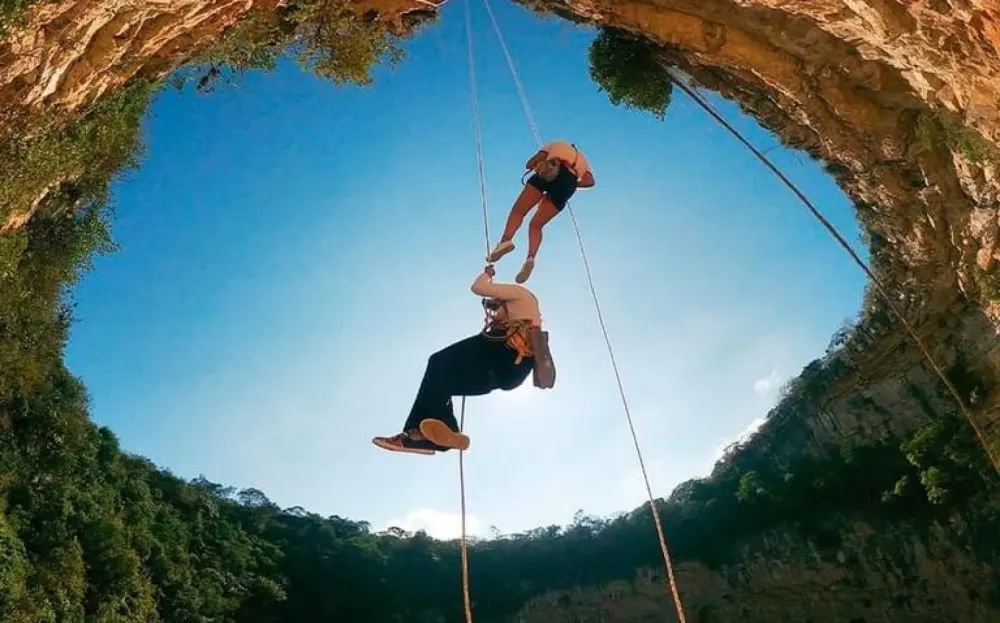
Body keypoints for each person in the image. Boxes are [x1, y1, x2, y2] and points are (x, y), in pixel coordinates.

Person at [372, 264, 556, 455]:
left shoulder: (520, 293)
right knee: (441, 383)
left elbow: (478, 288)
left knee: (438, 362)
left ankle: (419, 433)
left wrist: (487, 274)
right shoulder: (530, 314)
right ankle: (433, 438)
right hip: (509, 374)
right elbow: (503, 313)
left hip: (501, 352)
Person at [486, 140, 595, 283]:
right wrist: (574, 183)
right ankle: (530, 258)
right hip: (569, 183)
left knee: (519, 211)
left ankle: (505, 241)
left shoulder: (557, 144)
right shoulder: (583, 160)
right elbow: (590, 181)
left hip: (549, 170)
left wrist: (534, 164)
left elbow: (532, 162)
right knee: (536, 225)